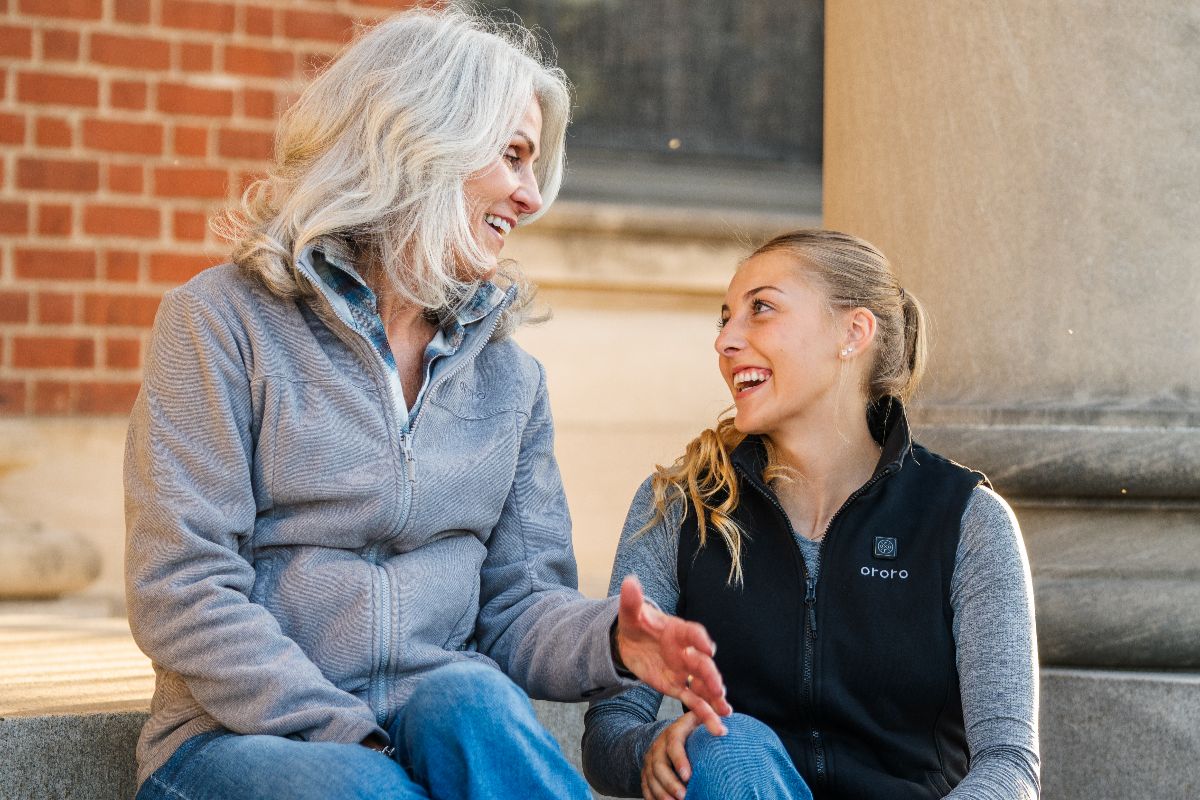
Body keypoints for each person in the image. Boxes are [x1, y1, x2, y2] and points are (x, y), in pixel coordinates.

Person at [124, 7, 730, 800]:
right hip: (237, 739)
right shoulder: (220, 324)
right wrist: (358, 739)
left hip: (426, 724)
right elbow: (183, 587)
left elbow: (517, 606)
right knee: (365, 789)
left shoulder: (511, 381)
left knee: (470, 697)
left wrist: (612, 641)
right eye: (513, 156)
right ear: (423, 141)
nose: (530, 197)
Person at [581, 230, 1041, 800]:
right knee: (725, 741)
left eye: (761, 309)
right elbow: (610, 728)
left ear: (853, 333)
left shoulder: (965, 520)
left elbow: (1009, 764)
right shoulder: (681, 509)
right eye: (724, 319)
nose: (725, 340)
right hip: (742, 787)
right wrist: (656, 749)